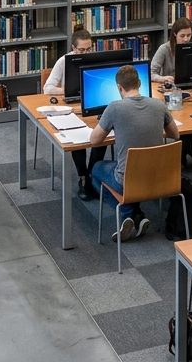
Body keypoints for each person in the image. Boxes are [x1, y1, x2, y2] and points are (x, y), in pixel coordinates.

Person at [87, 65, 179, 241]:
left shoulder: (115, 108)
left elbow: (94, 140)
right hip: (160, 178)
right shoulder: (159, 105)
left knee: (96, 169)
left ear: (119, 88)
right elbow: (175, 134)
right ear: (140, 83)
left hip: (127, 182)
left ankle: (128, 213)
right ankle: (135, 215)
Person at [42, 29, 108, 200]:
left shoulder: (96, 59)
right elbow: (48, 88)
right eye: (81, 50)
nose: (85, 53)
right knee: (76, 138)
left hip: (92, 103)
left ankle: (92, 174)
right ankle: (82, 176)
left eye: (88, 49)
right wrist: (67, 90)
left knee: (104, 132)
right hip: (71, 107)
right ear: (73, 48)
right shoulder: (64, 61)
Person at [149, 17, 192, 84]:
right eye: (182, 36)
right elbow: (151, 73)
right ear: (175, 34)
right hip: (168, 87)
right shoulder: (164, 49)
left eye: (188, 35)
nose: (186, 39)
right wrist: (162, 78)